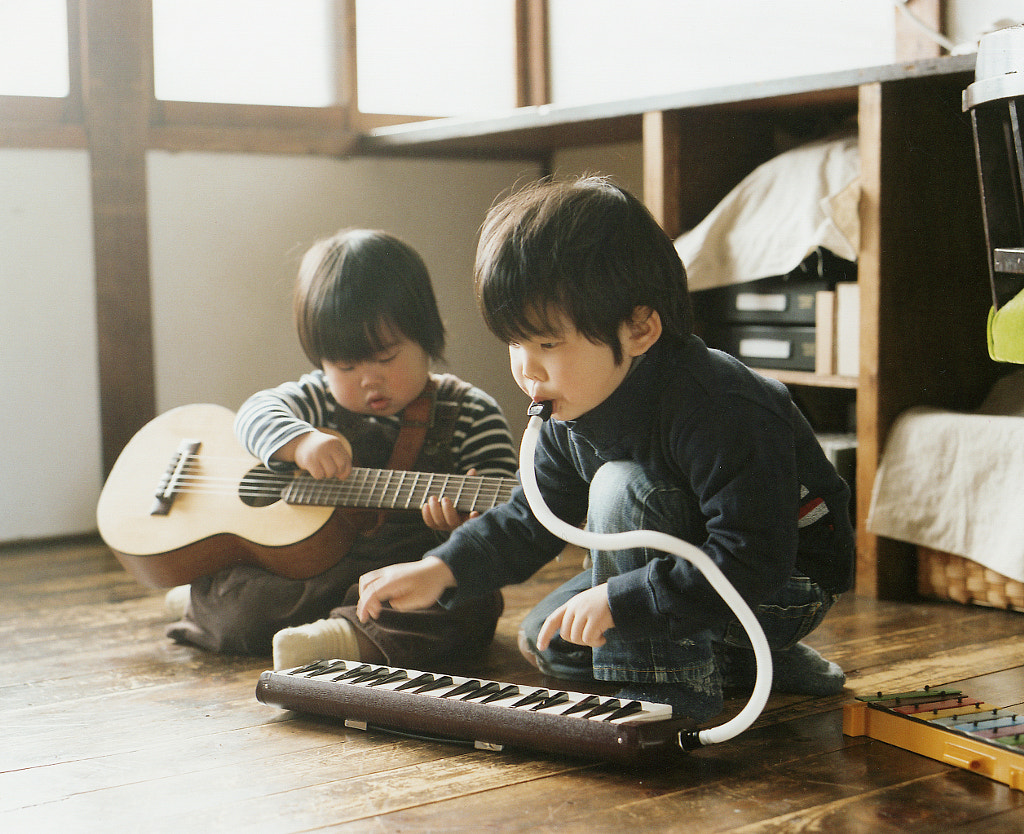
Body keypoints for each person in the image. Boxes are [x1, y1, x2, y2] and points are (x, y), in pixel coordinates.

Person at [353, 177, 856, 722]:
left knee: (622, 487)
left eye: (547, 343)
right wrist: (442, 569)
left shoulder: (721, 405)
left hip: (777, 584)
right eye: (515, 344)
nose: (527, 368)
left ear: (639, 329)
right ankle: (751, 663)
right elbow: (531, 518)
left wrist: (621, 603)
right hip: (696, 579)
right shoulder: (565, 405)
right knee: (550, 640)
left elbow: (752, 554)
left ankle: (665, 706)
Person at [165, 228, 518, 672]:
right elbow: (252, 414)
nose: (369, 379)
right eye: (345, 366)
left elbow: (504, 515)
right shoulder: (316, 399)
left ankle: (340, 639)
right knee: (245, 603)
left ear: (427, 337)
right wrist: (300, 441)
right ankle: (204, 602)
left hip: (408, 574)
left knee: (471, 608)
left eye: (386, 358)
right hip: (311, 571)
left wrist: (466, 525)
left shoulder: (470, 411)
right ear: (321, 361)